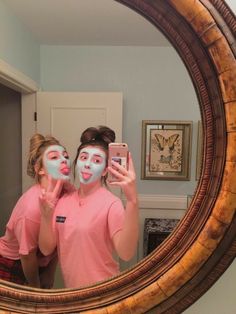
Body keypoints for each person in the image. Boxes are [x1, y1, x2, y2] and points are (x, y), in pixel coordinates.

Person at [39, 126, 139, 288]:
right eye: (83, 158)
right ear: (77, 162)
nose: (87, 164)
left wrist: (132, 201)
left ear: (106, 170)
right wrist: (46, 215)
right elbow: (46, 249)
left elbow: (126, 254)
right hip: (73, 296)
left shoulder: (111, 204)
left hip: (105, 295)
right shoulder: (63, 201)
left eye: (97, 161)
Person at [0, 134, 71, 288]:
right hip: (12, 264)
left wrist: (50, 272)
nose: (64, 160)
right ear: (40, 170)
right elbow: (26, 255)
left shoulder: (66, 195)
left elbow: (58, 238)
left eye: (65, 156)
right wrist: (36, 289)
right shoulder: (31, 207)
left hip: (39, 263)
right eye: (54, 157)